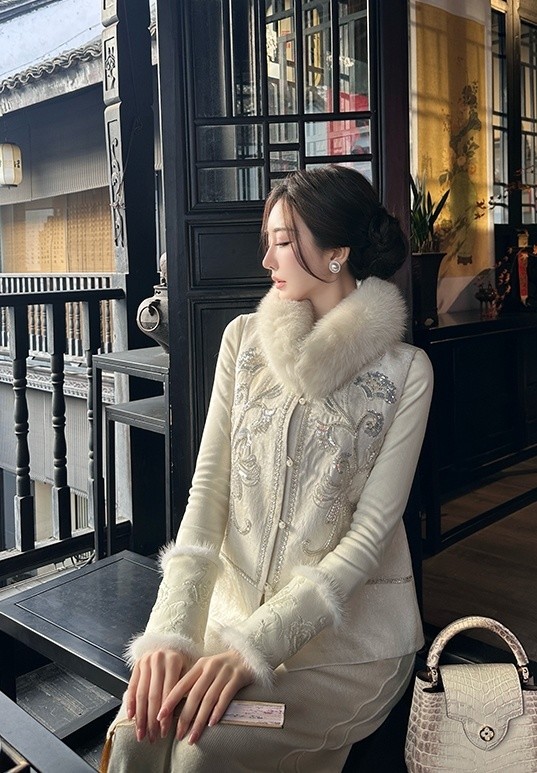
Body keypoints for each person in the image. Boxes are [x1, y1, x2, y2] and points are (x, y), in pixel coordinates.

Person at [104, 165, 433, 773]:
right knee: (136, 737)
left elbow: (369, 538)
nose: (267, 259)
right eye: (271, 241)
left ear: (336, 253)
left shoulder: (406, 371)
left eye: (283, 241)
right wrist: (170, 633)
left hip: (346, 644)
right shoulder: (244, 341)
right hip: (231, 613)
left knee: (203, 751)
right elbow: (208, 494)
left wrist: (255, 646)